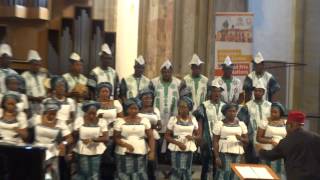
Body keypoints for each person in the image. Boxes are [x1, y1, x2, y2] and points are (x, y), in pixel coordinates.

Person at [257, 111, 320, 180]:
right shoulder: (316, 138)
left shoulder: (287, 141)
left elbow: (271, 156)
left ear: (291, 124)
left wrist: (260, 150)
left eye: (286, 125)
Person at [113, 98, 155, 180]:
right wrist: (125, 145)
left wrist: (152, 152)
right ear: (127, 109)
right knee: (124, 172)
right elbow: (116, 137)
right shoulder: (120, 121)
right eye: (131, 108)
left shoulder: (145, 121)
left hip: (141, 150)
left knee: (140, 172)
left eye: (135, 108)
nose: (133, 111)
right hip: (123, 152)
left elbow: (151, 137)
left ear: (138, 109)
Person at [33, 99, 73, 180]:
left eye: (54, 114)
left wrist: (64, 143)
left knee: (51, 175)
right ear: (46, 111)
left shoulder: (60, 122)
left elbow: (70, 138)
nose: (52, 116)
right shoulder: (37, 118)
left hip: (52, 152)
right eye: (50, 113)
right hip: (37, 150)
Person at [193, 81, 225, 180]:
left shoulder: (225, 106)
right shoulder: (204, 105)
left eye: (219, 91)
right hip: (207, 138)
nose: (216, 93)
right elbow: (200, 122)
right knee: (206, 166)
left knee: (218, 164)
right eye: (214, 91)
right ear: (210, 92)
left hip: (221, 139)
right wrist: (200, 137)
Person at [152, 59, 182, 159]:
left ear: (172, 72)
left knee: (171, 136)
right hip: (158, 115)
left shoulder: (179, 83)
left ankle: (168, 159)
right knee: (158, 138)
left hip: (173, 115)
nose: (166, 73)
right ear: (161, 72)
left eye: (169, 71)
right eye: (164, 72)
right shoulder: (154, 82)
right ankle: (158, 159)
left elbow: (183, 99)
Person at [165, 96, 199, 180]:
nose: (182, 109)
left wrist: (193, 137)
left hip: (189, 146)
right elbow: (167, 136)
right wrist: (178, 143)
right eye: (180, 107)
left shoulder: (193, 119)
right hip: (176, 147)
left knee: (187, 170)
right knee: (176, 170)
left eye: (184, 107)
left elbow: (198, 135)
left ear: (189, 108)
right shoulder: (173, 119)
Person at [238, 79, 271, 163]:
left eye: (259, 91)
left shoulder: (270, 106)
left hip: (266, 137)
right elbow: (242, 122)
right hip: (251, 138)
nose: (257, 93)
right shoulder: (247, 106)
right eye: (255, 91)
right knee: (251, 162)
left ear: (263, 92)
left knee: (265, 162)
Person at [73, 101, 108, 180]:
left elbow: (106, 138)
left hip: (96, 150)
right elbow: (74, 135)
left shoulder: (102, 121)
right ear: (85, 112)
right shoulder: (79, 120)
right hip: (82, 150)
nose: (92, 116)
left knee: (94, 173)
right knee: (84, 172)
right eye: (90, 113)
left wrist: (93, 139)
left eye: (94, 113)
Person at [213, 103, 248, 180]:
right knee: (225, 172)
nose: (232, 113)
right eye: (230, 111)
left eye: (234, 111)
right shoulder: (220, 124)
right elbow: (215, 141)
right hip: (224, 152)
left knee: (235, 173)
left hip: (238, 152)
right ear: (225, 112)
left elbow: (246, 141)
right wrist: (217, 157)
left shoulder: (241, 124)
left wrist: (241, 139)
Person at [95, 82, 123, 180]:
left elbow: (121, 119)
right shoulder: (94, 104)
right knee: (100, 159)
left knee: (110, 159)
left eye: (106, 91)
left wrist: (114, 123)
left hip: (112, 134)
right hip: (99, 135)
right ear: (98, 92)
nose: (104, 93)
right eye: (102, 91)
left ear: (110, 92)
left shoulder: (116, 103)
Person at [256, 102, 286, 179]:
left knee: (279, 173)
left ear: (280, 113)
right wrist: (271, 141)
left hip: (281, 151)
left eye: (275, 112)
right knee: (266, 174)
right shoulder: (265, 122)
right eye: (272, 112)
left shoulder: (285, 123)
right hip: (267, 151)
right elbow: (258, 138)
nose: (273, 114)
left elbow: (289, 137)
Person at [137, 88, 161, 180]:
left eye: (150, 98)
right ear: (141, 99)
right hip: (141, 137)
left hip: (153, 137)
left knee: (152, 161)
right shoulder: (137, 110)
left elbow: (160, 126)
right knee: (141, 160)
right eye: (145, 98)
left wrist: (154, 127)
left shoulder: (155, 110)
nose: (148, 100)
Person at [21, 50, 48, 114]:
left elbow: (48, 89)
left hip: (43, 105)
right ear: (30, 64)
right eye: (35, 65)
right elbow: (22, 95)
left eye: (39, 65)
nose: (37, 67)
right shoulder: (23, 76)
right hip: (30, 106)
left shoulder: (43, 75)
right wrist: (35, 99)